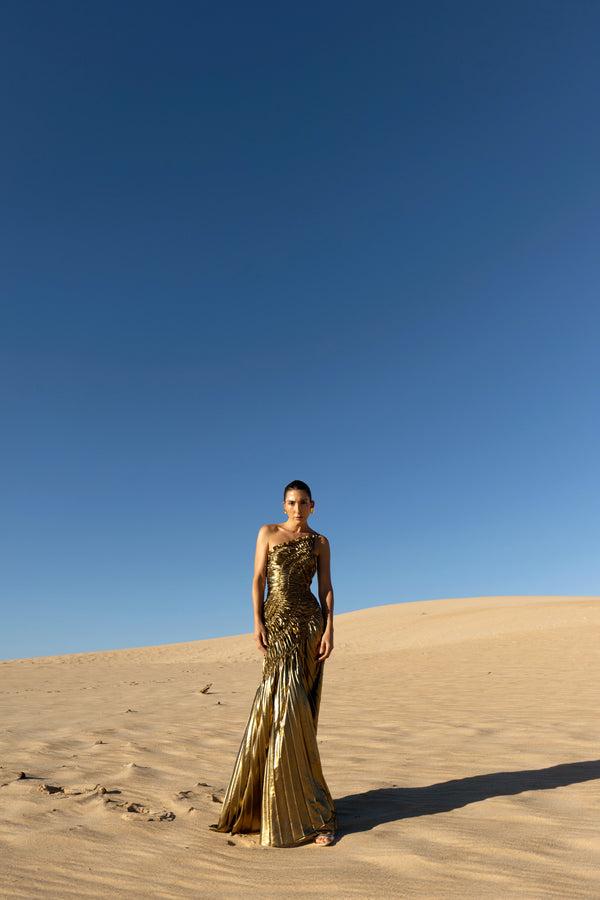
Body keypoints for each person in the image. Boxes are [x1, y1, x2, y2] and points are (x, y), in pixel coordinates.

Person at [212, 480, 337, 846]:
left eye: (303, 503)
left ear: (313, 506)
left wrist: (329, 629)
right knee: (278, 707)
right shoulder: (267, 533)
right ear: (284, 505)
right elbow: (258, 578)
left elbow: (326, 588)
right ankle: (272, 806)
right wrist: (256, 622)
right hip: (276, 626)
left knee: (295, 711)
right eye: (291, 502)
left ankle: (310, 815)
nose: (297, 509)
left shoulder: (321, 542)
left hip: (308, 627)